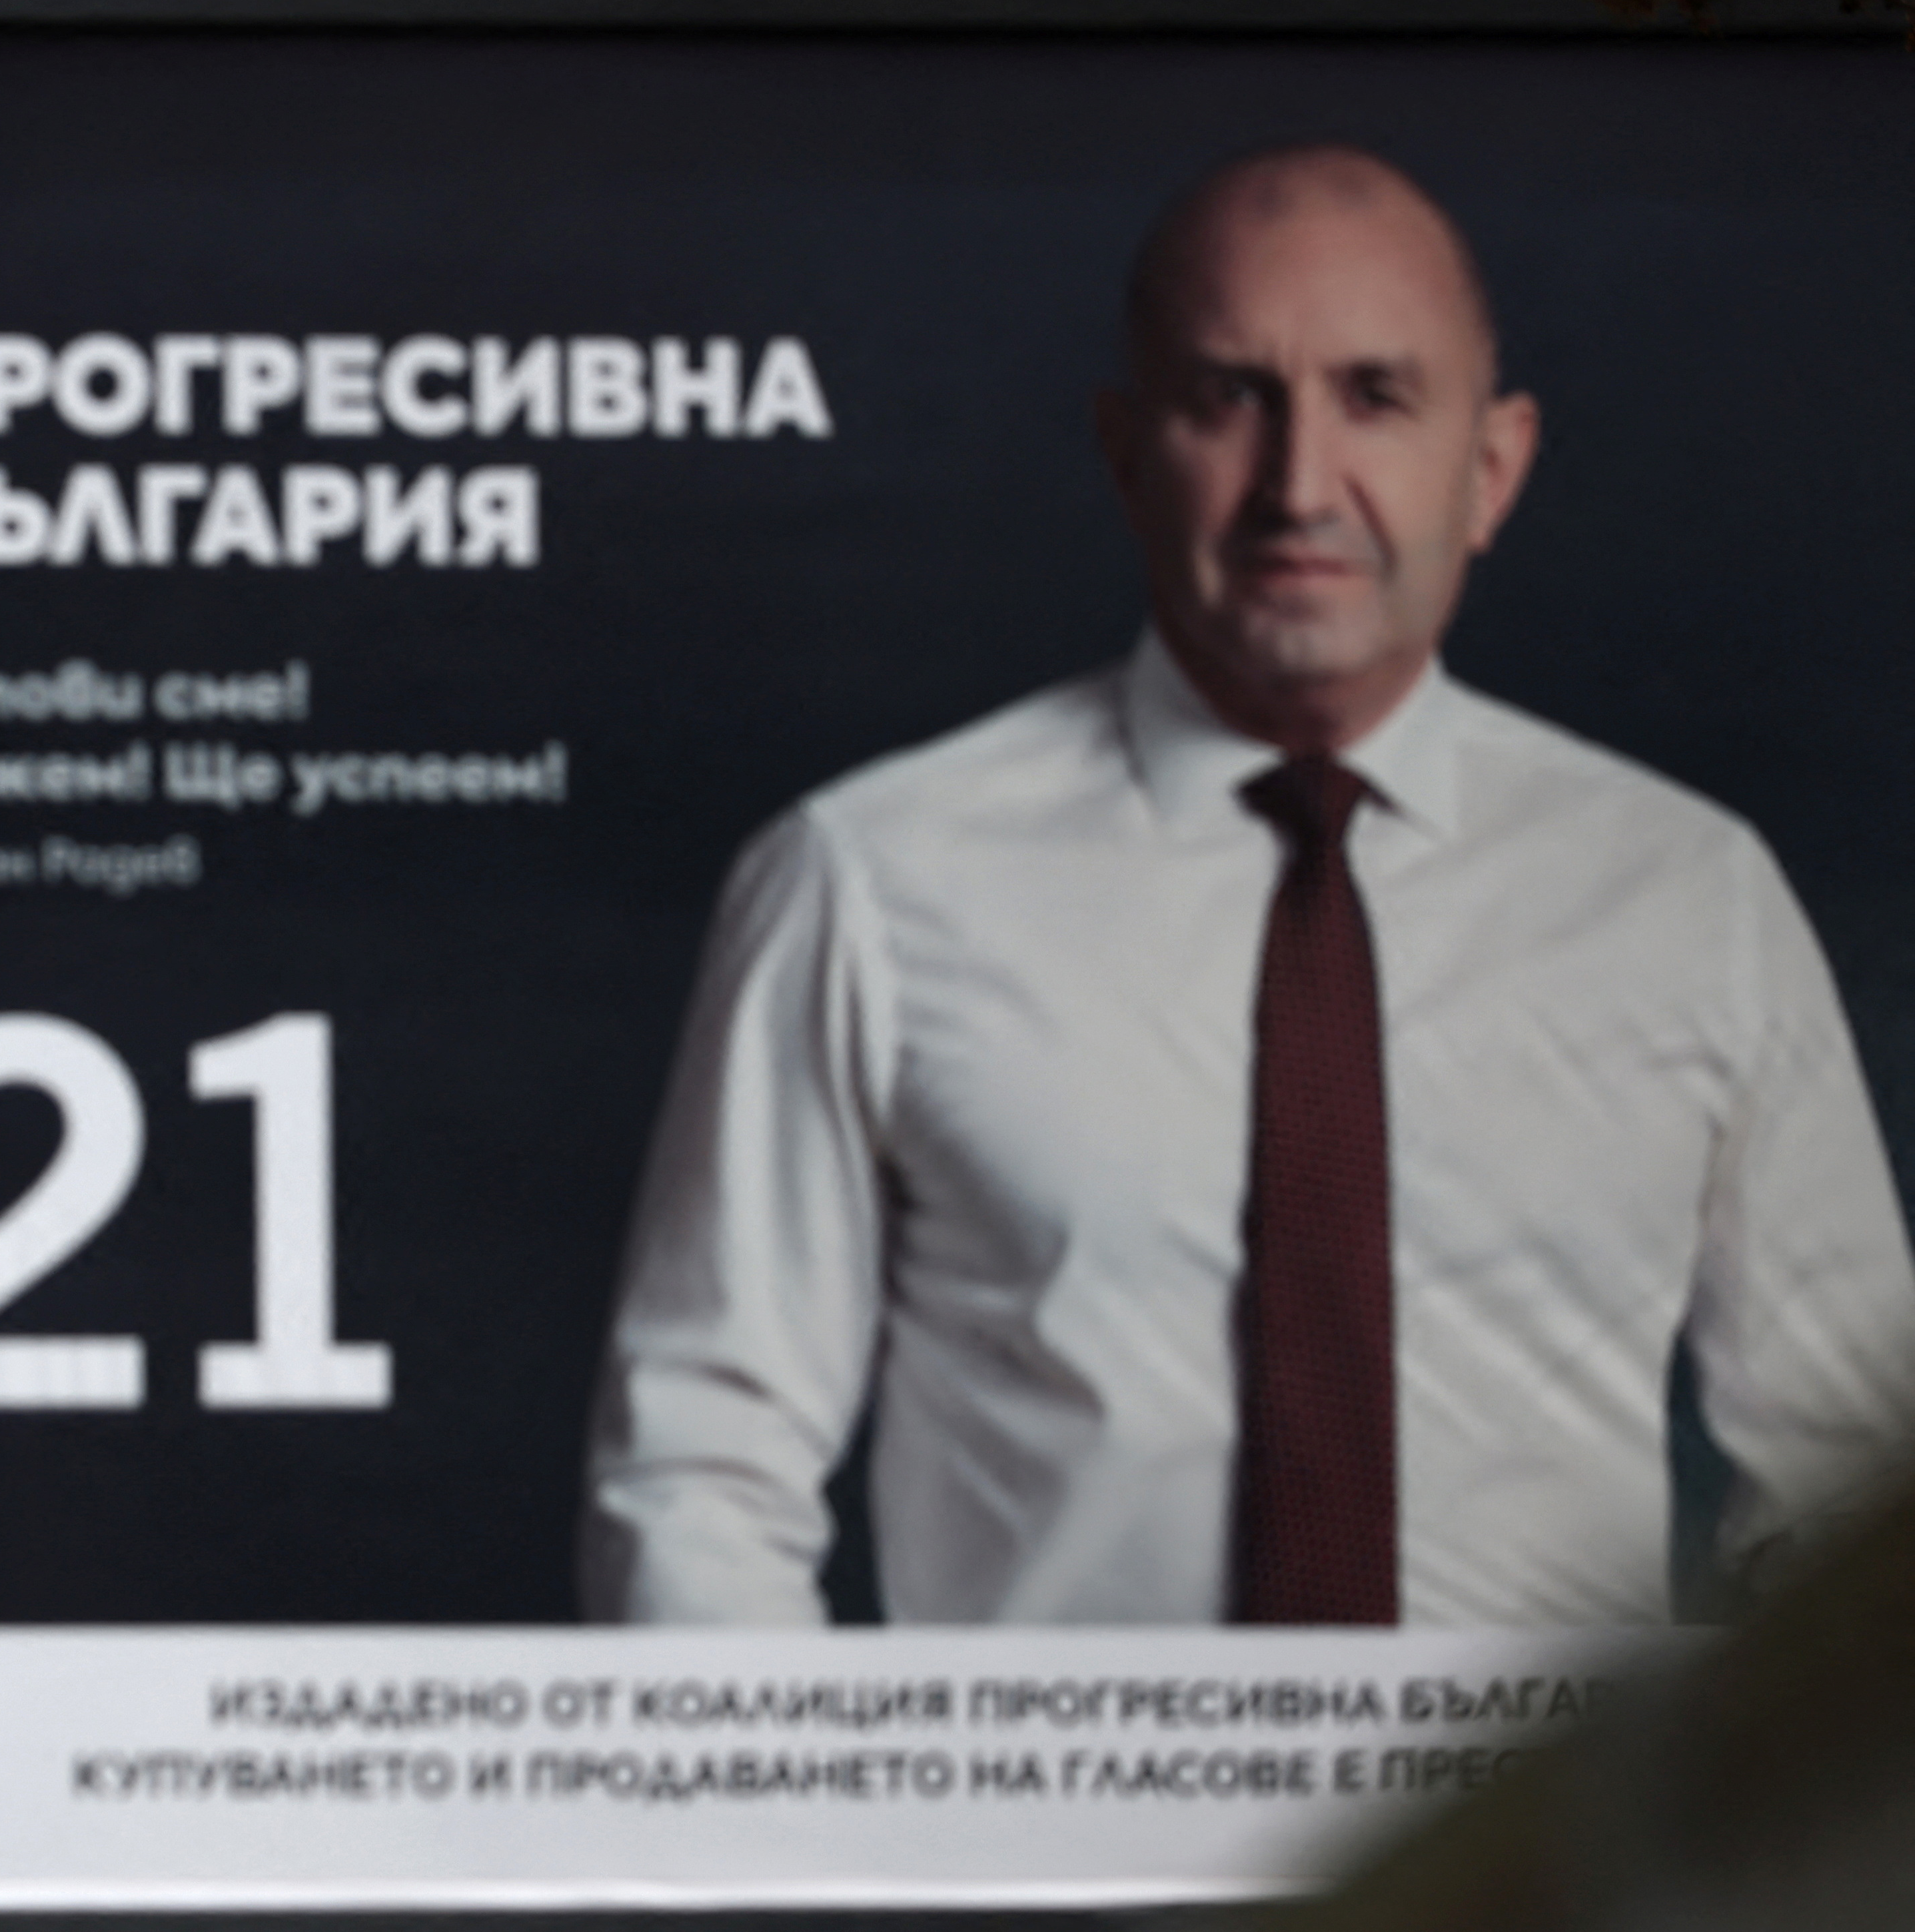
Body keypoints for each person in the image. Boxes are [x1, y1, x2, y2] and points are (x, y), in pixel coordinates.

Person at [583, 143, 1915, 1628]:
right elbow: (701, 1469)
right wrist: (835, 1848)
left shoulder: (1688, 897)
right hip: (1044, 1849)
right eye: (1229, 397)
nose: (1297, 485)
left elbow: (1851, 1477)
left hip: (1537, 1859)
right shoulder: (869, 880)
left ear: (1490, 469)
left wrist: (1719, 1845)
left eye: (1375, 398)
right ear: (1123, 450)